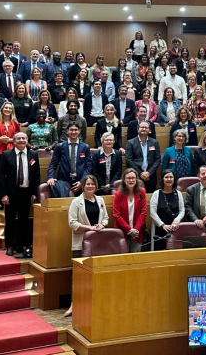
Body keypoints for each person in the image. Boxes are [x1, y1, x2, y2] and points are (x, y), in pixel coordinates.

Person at [66, 175, 108, 315]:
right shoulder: (76, 202)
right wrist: (89, 228)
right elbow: (72, 223)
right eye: (88, 184)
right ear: (83, 186)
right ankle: (73, 304)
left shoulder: (100, 200)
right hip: (81, 243)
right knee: (78, 275)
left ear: (96, 186)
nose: (90, 186)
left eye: (92, 184)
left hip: (98, 242)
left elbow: (106, 218)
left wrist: (102, 224)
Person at [0, 132, 40, 256]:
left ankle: (22, 245)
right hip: (11, 193)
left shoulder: (33, 154)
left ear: (27, 140)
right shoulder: (6, 155)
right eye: (18, 138)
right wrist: (3, 194)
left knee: (24, 220)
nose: (21, 140)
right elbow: (0, 176)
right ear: (14, 141)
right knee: (10, 220)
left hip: (26, 192)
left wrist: (34, 193)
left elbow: (36, 175)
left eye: (24, 138)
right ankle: (9, 246)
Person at [0, 102, 20, 209]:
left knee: (11, 176)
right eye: (6, 108)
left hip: (12, 153)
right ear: (2, 109)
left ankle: (11, 197)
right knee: (0, 176)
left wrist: (10, 140)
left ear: (12, 111)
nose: (7, 110)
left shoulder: (16, 123)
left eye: (10, 108)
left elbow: (19, 138)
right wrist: (0, 139)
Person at [47, 122, 92, 195]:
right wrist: (50, 177)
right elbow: (53, 164)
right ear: (67, 131)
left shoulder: (85, 147)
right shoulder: (60, 146)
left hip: (80, 181)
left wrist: (82, 181)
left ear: (79, 131)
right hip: (64, 181)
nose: (73, 132)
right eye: (71, 130)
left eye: (75, 130)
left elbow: (89, 167)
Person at [112, 168, 147, 253]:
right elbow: (116, 215)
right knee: (123, 259)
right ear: (124, 180)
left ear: (136, 179)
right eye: (128, 178)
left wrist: (136, 229)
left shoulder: (141, 192)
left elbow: (143, 212)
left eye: (133, 178)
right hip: (122, 231)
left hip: (137, 232)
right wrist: (130, 230)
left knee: (136, 259)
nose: (131, 180)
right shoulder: (118, 194)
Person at [150, 170, 185, 251]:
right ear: (162, 179)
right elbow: (152, 212)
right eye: (166, 177)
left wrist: (176, 221)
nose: (169, 179)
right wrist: (162, 225)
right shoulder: (156, 193)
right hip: (159, 229)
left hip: (175, 228)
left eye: (171, 177)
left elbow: (182, 210)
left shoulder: (178, 193)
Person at [125, 121, 161, 193]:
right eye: (142, 127)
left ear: (149, 130)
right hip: (136, 177)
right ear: (138, 129)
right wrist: (140, 173)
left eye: (146, 127)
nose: (144, 129)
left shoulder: (154, 142)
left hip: (151, 177)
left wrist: (149, 173)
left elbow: (158, 160)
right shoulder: (130, 142)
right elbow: (129, 160)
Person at [91, 130, 123, 195]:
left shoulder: (118, 154)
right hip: (99, 186)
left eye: (111, 140)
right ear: (102, 141)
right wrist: (103, 185)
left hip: (114, 186)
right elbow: (94, 171)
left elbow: (119, 171)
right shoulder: (96, 154)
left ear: (114, 142)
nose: (109, 142)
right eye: (106, 140)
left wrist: (110, 184)